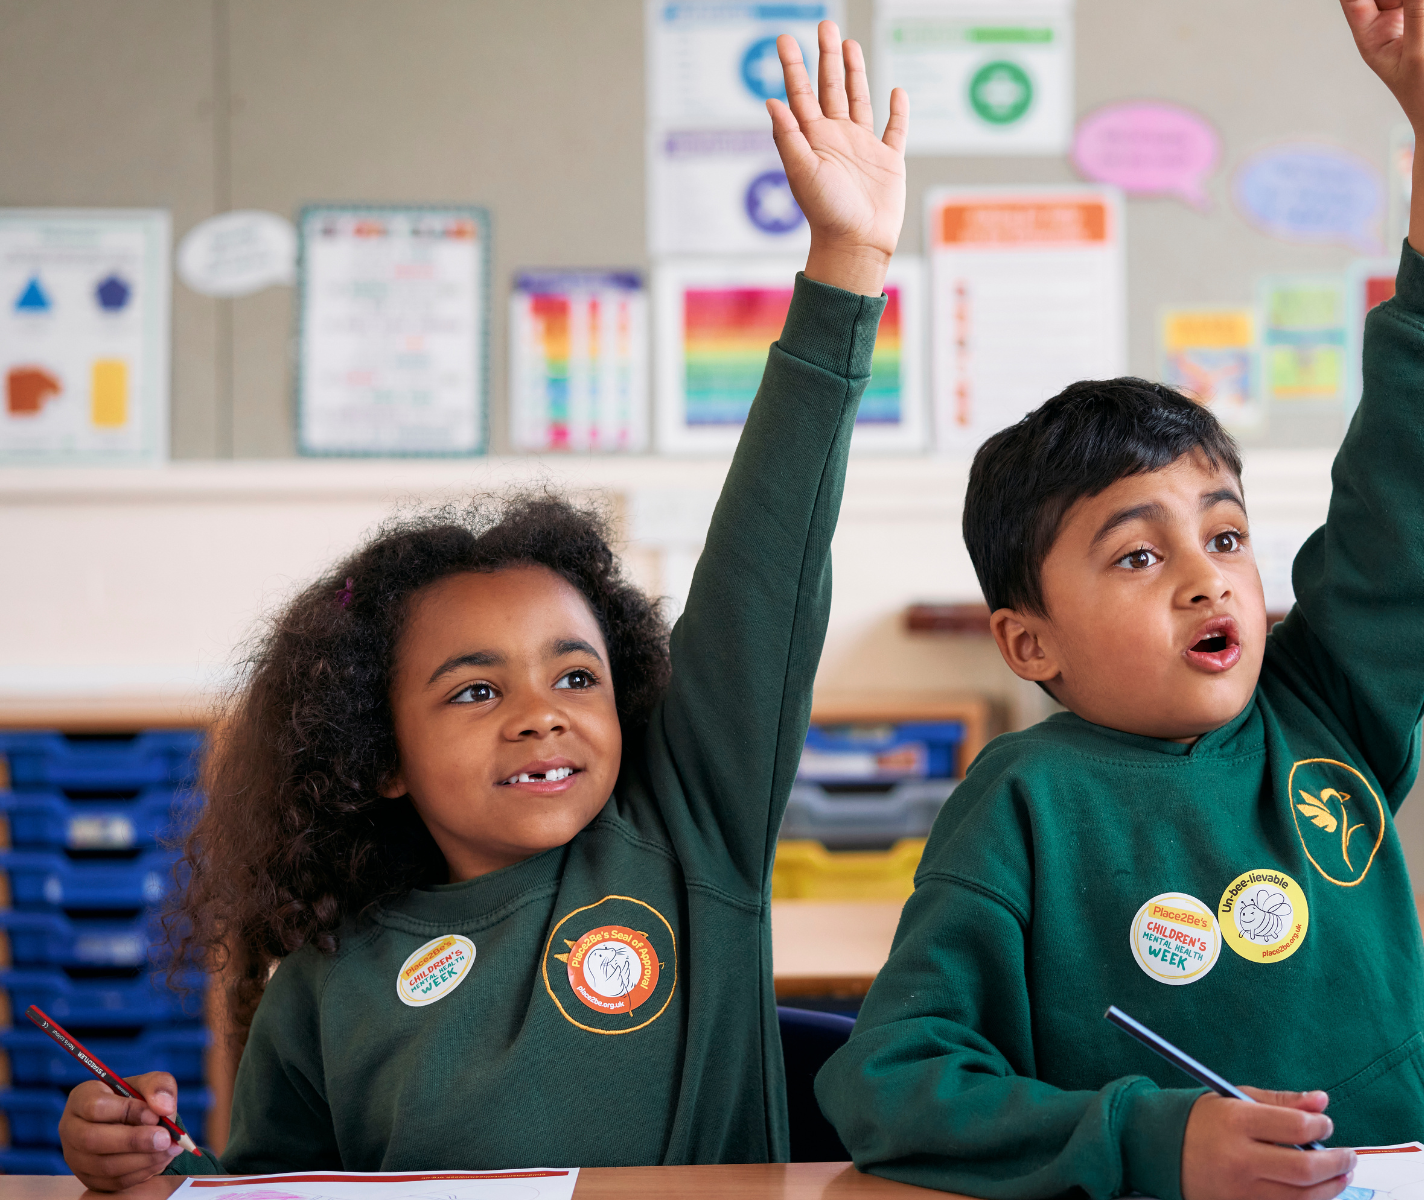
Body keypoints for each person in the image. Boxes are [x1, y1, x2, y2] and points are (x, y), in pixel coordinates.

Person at [56, 21, 907, 1190]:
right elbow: (268, 1187)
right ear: (383, 754)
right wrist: (148, 1173)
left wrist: (845, 265)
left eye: (575, 675)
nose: (541, 713)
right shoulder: (320, 982)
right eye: (473, 689)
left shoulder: (686, 839)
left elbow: (768, 560)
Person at [815, 3, 1424, 1199]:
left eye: (1227, 536)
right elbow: (892, 1081)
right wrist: (1150, 1141)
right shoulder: (1021, 806)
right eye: (1137, 557)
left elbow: (1412, 489)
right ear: (1030, 643)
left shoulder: (1326, 711)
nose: (1206, 576)